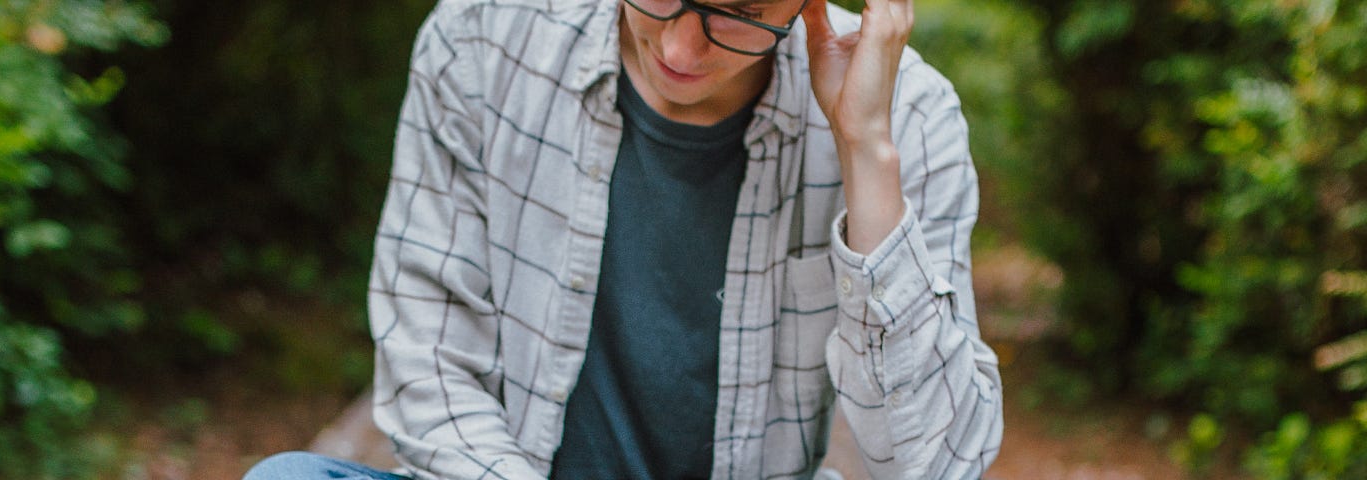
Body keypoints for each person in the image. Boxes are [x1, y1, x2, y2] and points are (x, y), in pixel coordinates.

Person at [244, 0, 1001, 477]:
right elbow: (429, 370)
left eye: (735, 12)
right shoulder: (477, 41)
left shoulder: (909, 116)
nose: (678, 49)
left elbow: (934, 463)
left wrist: (865, 148)